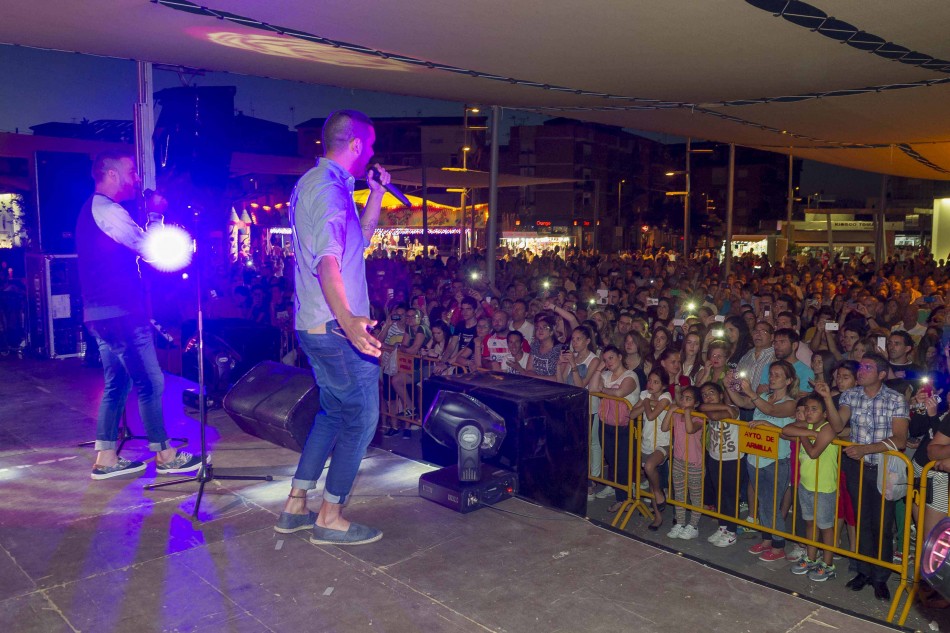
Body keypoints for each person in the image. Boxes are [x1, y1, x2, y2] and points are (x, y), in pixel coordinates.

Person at [277, 110, 389, 546]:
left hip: (315, 325)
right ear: (356, 145)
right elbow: (327, 262)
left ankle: (296, 504)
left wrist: (376, 194)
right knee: (362, 418)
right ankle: (331, 515)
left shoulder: (315, 183)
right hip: (336, 328)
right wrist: (349, 320)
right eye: (370, 145)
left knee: (333, 413)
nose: (372, 153)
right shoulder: (328, 190)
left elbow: (357, 243)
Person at [76, 149, 201, 480]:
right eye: (131, 171)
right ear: (112, 173)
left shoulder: (92, 209)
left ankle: (105, 458)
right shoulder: (108, 210)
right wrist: (157, 214)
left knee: (117, 382)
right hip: (121, 313)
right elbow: (148, 249)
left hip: (100, 313)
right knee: (151, 381)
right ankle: (165, 455)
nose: (135, 178)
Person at [826, 353, 909, 600]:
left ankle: (880, 577)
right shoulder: (851, 395)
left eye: (867, 367)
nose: (861, 371)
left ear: (882, 374)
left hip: (885, 468)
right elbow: (838, 426)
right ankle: (863, 571)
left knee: (882, 523)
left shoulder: (895, 399)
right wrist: (827, 399)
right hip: (857, 467)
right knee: (861, 521)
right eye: (861, 366)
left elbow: (900, 439)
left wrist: (866, 449)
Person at [783, 394, 839, 582]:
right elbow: (785, 430)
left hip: (823, 486)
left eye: (814, 409)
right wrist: (807, 433)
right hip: (805, 483)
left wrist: (803, 435)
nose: (808, 412)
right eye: (807, 408)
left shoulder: (828, 428)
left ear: (825, 413)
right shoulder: (807, 427)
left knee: (825, 527)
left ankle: (828, 564)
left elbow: (814, 453)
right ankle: (811, 558)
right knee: (809, 523)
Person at [667, 385, 704, 540]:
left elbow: (690, 429)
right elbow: (664, 427)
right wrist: (670, 411)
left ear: (696, 403)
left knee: (695, 496)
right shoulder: (677, 415)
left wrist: (688, 413)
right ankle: (680, 523)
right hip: (678, 461)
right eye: (682, 398)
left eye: (688, 399)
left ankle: (693, 525)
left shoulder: (699, 418)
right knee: (680, 494)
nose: (683, 401)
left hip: (694, 463)